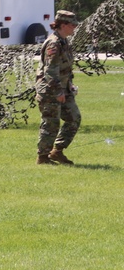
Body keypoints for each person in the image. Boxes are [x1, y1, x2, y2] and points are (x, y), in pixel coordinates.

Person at [35, 10, 81, 165]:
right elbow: (50, 70)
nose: (74, 28)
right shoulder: (54, 44)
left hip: (63, 88)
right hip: (50, 90)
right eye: (72, 25)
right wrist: (58, 91)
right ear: (63, 25)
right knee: (51, 123)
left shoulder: (64, 41)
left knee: (74, 118)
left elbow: (65, 68)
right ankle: (42, 157)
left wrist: (69, 86)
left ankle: (57, 151)